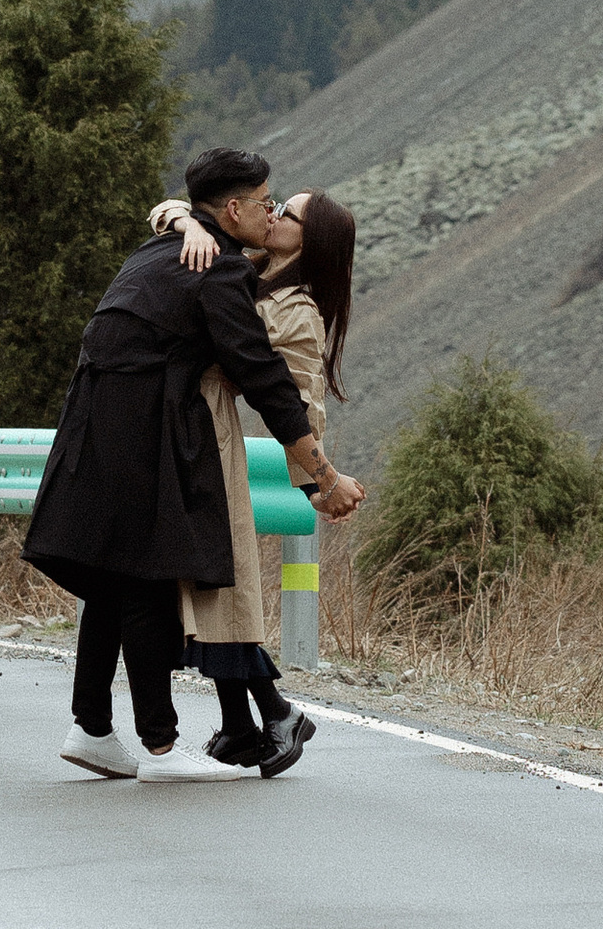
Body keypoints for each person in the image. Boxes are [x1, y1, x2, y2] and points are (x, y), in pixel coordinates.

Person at [24, 146, 365, 782]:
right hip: (155, 424)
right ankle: (161, 747)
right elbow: (265, 381)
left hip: (96, 412)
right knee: (151, 574)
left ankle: (93, 726)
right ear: (233, 210)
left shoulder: (173, 253)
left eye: (281, 208)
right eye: (268, 203)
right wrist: (325, 478)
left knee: (114, 573)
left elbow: (294, 389)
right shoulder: (217, 267)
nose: (272, 211)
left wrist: (186, 221)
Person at [156, 183, 358, 773]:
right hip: (189, 429)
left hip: (210, 436)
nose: (271, 215)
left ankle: (269, 714)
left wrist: (320, 481)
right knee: (214, 584)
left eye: (286, 213)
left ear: (308, 237)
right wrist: (190, 225)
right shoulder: (242, 264)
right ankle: (249, 721)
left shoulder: (297, 311)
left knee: (223, 584)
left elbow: (300, 405)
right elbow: (166, 207)